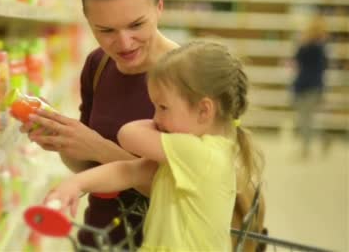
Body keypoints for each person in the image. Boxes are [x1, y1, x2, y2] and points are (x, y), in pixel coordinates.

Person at [21, 0, 178, 247]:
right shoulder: (98, 65)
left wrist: (96, 146)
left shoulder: (187, 74)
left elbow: (186, 188)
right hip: (100, 237)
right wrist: (64, 139)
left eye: (136, 25)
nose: (123, 43)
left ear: (159, 7)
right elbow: (90, 167)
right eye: (105, 30)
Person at [42, 41, 265, 251]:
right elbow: (129, 171)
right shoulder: (189, 154)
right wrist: (76, 184)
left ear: (204, 110)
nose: (155, 117)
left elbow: (128, 134)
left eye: (162, 107)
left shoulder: (201, 153)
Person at [291, 16, 328, 157]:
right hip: (310, 85)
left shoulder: (311, 46)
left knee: (305, 119)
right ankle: (323, 139)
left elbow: (296, 61)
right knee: (306, 118)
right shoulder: (320, 47)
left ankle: (305, 149)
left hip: (306, 85)